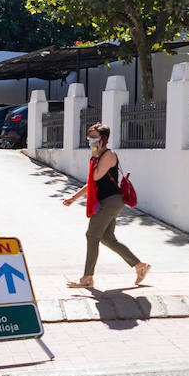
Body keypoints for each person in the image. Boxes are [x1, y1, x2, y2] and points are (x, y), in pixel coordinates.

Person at [63, 123, 150, 288]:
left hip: (111, 201)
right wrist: (74, 198)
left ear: (104, 139)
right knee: (107, 238)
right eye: (89, 137)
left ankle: (87, 278)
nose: (91, 141)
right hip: (106, 201)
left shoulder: (108, 155)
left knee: (92, 235)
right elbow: (91, 183)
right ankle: (140, 266)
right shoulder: (97, 156)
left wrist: (96, 155)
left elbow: (95, 177)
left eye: (94, 137)